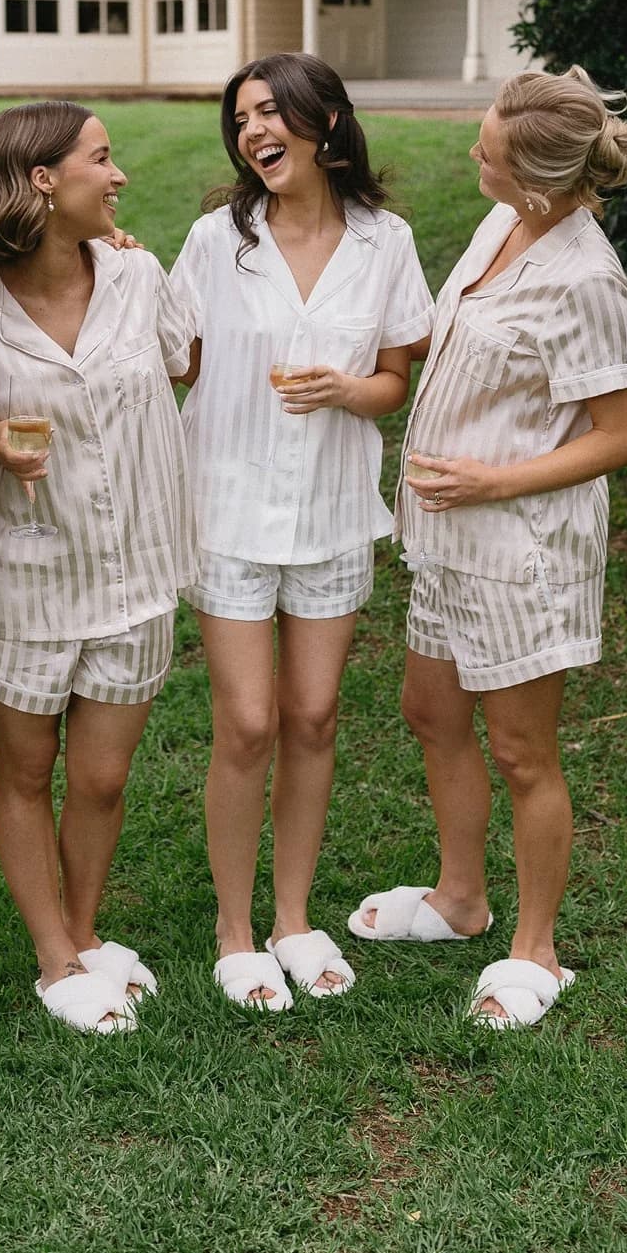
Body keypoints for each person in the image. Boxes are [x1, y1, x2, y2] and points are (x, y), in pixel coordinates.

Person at [351, 66, 627, 1030]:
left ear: (540, 181)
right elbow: (451, 342)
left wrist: (492, 481)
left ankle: (536, 951)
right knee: (430, 710)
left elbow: (619, 434)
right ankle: (461, 901)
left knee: (523, 751)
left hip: (522, 548)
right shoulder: (499, 225)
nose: (472, 152)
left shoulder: (585, 278)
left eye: (487, 149)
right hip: (446, 538)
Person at [171, 53, 435, 1011]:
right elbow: (174, 358)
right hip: (229, 509)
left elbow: (394, 380)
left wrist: (345, 389)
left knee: (313, 717)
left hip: (330, 512)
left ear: (325, 124)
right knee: (246, 723)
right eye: (240, 119)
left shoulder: (385, 240)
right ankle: (233, 931)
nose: (252, 132)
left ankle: (292, 918)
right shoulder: (215, 240)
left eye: (270, 112)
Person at [0, 103, 195, 1035]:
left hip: (134, 569)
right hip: (25, 574)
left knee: (99, 778)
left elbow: (181, 367)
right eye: (101, 159)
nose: (118, 174)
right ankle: (54, 960)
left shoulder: (136, 271)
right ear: (44, 179)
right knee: (26, 767)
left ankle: (84, 933)